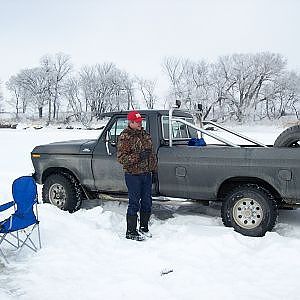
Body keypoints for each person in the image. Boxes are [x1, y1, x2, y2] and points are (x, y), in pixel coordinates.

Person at [117, 110, 158, 241]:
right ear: (131, 122)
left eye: (141, 121)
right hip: (133, 175)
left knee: (147, 202)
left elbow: (151, 155)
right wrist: (138, 157)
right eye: (138, 122)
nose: (141, 124)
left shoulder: (145, 134)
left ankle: (144, 227)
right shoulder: (125, 136)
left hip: (146, 174)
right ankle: (131, 231)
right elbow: (121, 158)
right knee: (134, 203)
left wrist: (154, 171)